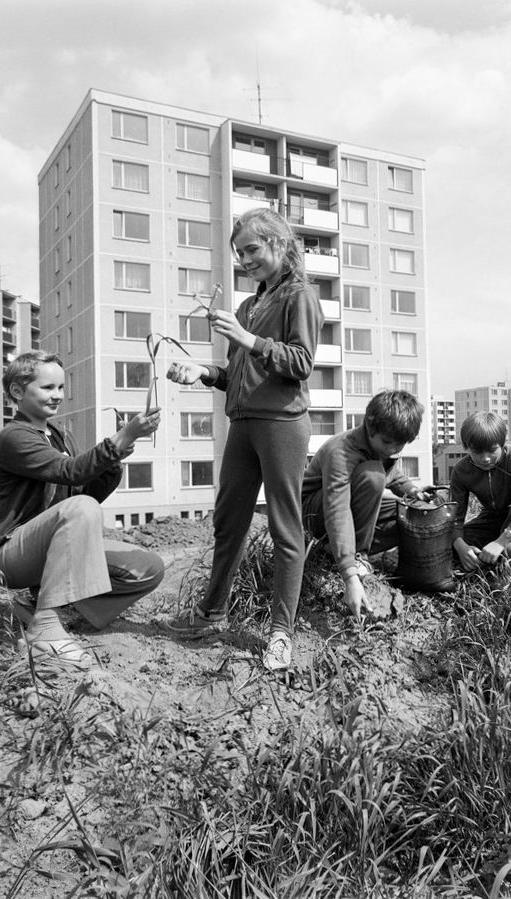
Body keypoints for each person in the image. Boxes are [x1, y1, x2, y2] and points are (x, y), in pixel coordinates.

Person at [163, 207, 323, 672]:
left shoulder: (301, 296)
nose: (245, 259)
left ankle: (280, 632)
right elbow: (236, 372)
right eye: (240, 253)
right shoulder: (249, 306)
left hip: (281, 424)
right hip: (243, 424)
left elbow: (300, 363)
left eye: (252, 249)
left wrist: (249, 340)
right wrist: (202, 371)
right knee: (228, 520)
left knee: (284, 526)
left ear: (277, 242)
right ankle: (212, 613)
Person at [0, 350, 165, 668]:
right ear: (18, 392)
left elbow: (83, 490)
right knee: (81, 508)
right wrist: (123, 436)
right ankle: (46, 630)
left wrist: (114, 458)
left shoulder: (60, 436)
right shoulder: (14, 437)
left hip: (50, 550)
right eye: (48, 387)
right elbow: (71, 474)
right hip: (8, 554)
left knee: (148, 568)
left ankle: (45, 604)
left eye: (61, 388)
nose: (58, 396)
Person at [301, 389, 429, 617]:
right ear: (370, 427)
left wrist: (413, 491)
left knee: (410, 513)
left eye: (399, 446)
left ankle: (335, 549)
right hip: (314, 514)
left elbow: (392, 474)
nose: (392, 450)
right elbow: (337, 508)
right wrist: (349, 574)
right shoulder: (341, 451)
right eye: (387, 442)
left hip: (350, 507)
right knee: (372, 476)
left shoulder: (383, 444)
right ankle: (355, 556)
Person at [449, 411, 511, 570]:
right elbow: (455, 517)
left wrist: (501, 541)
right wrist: (461, 547)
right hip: (493, 519)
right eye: (477, 452)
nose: (485, 458)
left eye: (492, 450)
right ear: (467, 448)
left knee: (510, 551)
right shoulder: (461, 471)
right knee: (447, 542)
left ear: (503, 444)